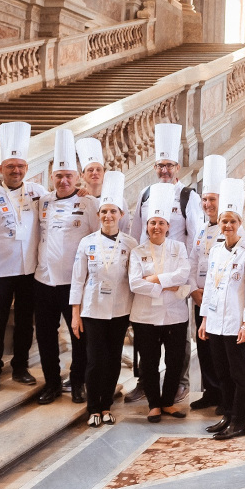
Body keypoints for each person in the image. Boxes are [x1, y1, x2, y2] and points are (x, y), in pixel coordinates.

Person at [126, 123, 201, 403]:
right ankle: (145, 382)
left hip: (177, 277)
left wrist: (187, 282)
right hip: (146, 273)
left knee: (177, 332)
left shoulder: (187, 196)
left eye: (169, 165)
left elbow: (195, 239)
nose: (164, 170)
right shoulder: (146, 194)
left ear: (178, 167)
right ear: (154, 167)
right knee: (145, 332)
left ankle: (179, 382)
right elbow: (135, 234)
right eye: (160, 165)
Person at [0, 121, 44, 392]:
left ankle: (21, 366)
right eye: (11, 166)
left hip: (30, 271)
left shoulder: (39, 194)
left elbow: (61, 206)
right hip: (0, 271)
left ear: (26, 169)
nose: (16, 171)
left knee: (26, 321)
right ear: (1, 169)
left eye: (21, 166)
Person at [35, 130, 99, 404]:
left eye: (68, 176)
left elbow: (99, 240)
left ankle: (78, 382)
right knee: (46, 336)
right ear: (51, 178)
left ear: (77, 178)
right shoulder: (44, 202)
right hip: (43, 280)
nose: (63, 181)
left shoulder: (89, 204)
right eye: (58, 176)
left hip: (74, 283)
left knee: (79, 336)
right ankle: (51, 383)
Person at [70, 171, 134, 428]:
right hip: (92, 310)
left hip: (120, 311)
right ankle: (93, 408)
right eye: (104, 212)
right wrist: (75, 314)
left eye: (113, 212)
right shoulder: (86, 243)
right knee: (95, 361)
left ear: (120, 215)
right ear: (98, 216)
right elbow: (77, 280)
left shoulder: (130, 243)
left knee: (113, 360)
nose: (108, 216)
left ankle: (107, 405)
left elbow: (134, 280)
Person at [199, 178, 245, 440]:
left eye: (232, 221)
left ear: (240, 224)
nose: (227, 225)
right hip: (214, 321)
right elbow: (210, 288)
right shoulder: (215, 251)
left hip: (236, 322)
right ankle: (227, 414)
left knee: (238, 373)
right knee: (222, 372)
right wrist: (203, 321)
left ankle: (239, 421)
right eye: (224, 221)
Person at [129, 183, 192, 423]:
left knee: (175, 360)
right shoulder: (138, 251)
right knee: (150, 362)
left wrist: (154, 279)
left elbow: (183, 275)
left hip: (175, 315)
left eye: (161, 223)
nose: (157, 227)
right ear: (146, 227)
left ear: (168, 226)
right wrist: (169, 285)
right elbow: (135, 283)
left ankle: (168, 403)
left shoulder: (178, 247)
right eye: (152, 223)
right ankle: (154, 404)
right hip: (144, 316)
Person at [189, 155, 227, 412]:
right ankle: (210, 391)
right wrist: (193, 289)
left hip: (219, 299)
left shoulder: (230, 229)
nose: (207, 204)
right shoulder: (202, 230)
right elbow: (192, 262)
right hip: (200, 297)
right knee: (202, 345)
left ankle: (225, 394)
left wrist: (209, 293)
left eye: (212, 199)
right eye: (204, 199)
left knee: (219, 349)